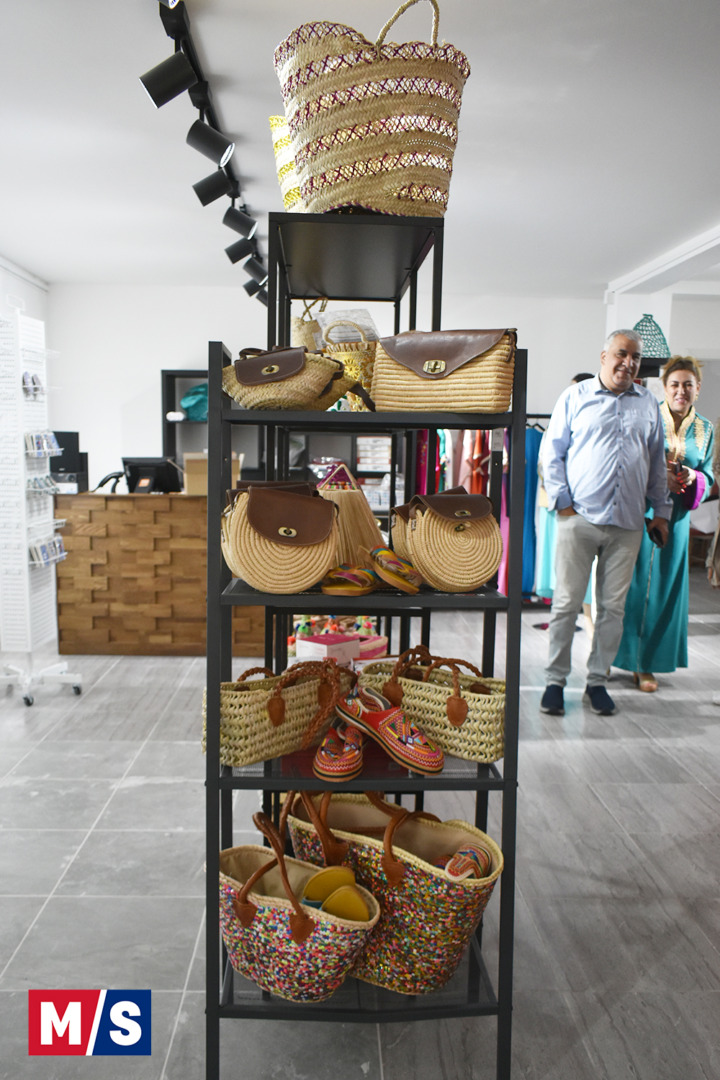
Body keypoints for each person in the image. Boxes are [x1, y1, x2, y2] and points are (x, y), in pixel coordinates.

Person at [540, 330, 672, 716]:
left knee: (613, 609)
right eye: (621, 354)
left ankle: (597, 682)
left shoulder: (648, 404)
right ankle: (554, 682)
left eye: (635, 357)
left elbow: (657, 463)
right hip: (579, 518)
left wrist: (661, 512)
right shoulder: (575, 397)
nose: (628, 363)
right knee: (566, 605)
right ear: (603, 357)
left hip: (628, 523)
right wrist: (564, 504)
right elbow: (552, 453)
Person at [613, 357, 714, 690]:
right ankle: (622, 656)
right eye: (675, 384)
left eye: (688, 385)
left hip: (679, 519)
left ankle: (648, 663)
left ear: (698, 389)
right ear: (665, 388)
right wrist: (659, 478)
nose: (681, 391)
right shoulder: (648, 416)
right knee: (632, 586)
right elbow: (628, 461)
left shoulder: (706, 429)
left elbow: (709, 475)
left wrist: (694, 476)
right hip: (641, 514)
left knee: (665, 590)